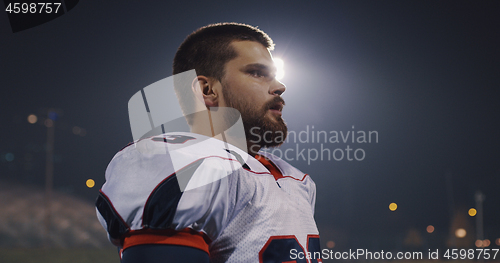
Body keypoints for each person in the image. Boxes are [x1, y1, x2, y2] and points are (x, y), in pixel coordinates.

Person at [96, 22, 320, 263]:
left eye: (275, 76)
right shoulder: (185, 164)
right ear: (207, 89)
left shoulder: (295, 180)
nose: (279, 87)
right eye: (257, 73)